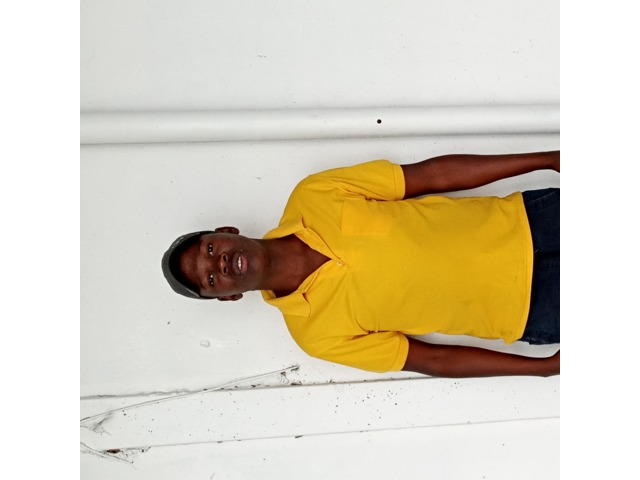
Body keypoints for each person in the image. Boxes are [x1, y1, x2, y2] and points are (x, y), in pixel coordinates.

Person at [162, 151, 560, 378]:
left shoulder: (313, 194)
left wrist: (549, 159)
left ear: (226, 231)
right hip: (533, 308)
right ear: (228, 297)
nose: (219, 264)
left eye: (210, 249)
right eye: (210, 279)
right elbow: (434, 359)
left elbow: (432, 176)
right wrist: (538, 369)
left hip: (532, 219)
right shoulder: (315, 336)